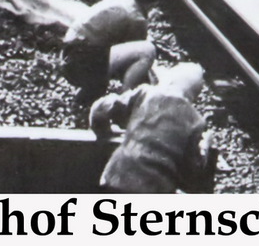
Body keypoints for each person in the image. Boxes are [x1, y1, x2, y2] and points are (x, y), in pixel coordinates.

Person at [0, 0, 169, 104]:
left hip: (70, 56)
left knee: (104, 57)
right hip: (83, 65)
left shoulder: (122, 1)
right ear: (153, 0)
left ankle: (86, 98)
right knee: (147, 50)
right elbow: (134, 60)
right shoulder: (136, 18)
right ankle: (127, 102)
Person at [90, 62, 217, 193]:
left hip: (117, 176)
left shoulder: (145, 94)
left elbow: (100, 108)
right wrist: (206, 147)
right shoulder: (195, 121)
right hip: (155, 189)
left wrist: (102, 130)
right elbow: (191, 172)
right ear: (194, 94)